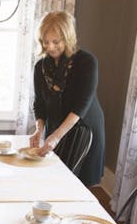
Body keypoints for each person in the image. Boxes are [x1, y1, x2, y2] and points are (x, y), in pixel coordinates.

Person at [29, 10, 105, 186]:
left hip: (84, 131)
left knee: (77, 186)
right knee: (54, 181)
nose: (50, 47)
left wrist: (56, 136)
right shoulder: (40, 67)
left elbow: (81, 106)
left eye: (56, 42)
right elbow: (39, 104)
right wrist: (39, 129)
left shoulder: (86, 62)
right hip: (56, 128)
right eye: (45, 42)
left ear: (68, 37)